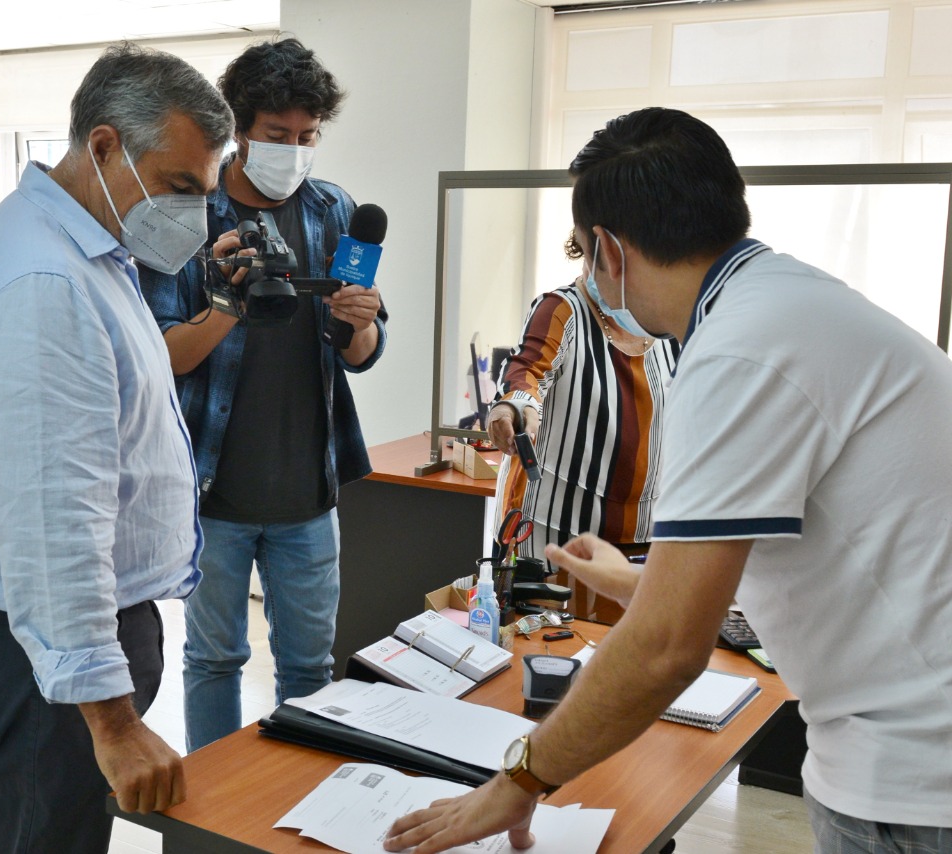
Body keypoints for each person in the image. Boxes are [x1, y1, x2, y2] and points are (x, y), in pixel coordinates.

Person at [384, 107, 952, 854]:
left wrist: (516, 783)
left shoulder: (734, 349)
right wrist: (633, 583)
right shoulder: (784, 302)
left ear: (610, 250)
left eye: (588, 254)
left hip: (914, 778)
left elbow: (666, 648)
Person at [0, 43, 233, 852]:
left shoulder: (85, 254)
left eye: (203, 193)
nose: (194, 214)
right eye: (179, 186)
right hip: (43, 652)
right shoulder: (46, 283)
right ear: (103, 146)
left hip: (73, 636)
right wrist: (113, 721)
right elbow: (54, 518)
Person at [140, 36, 387, 753]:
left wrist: (358, 322)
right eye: (278, 135)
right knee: (214, 660)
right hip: (212, 492)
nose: (294, 150)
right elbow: (161, 355)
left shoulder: (334, 210)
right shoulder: (190, 215)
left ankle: (299, 799)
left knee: (310, 668)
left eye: (308, 137)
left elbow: (364, 354)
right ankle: (215, 806)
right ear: (239, 129)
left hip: (309, 492)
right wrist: (228, 304)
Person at [487, 234, 678, 621]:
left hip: (641, 541)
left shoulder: (668, 326)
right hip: (553, 539)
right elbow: (527, 371)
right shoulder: (562, 310)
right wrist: (513, 407)